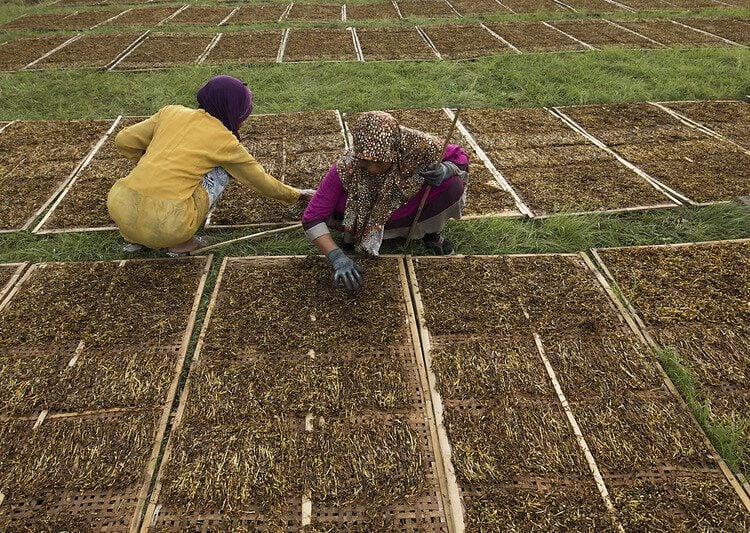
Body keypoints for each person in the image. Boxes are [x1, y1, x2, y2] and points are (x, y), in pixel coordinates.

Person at [107, 75, 312, 256]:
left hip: (120, 205)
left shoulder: (171, 112)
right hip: (169, 224)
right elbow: (259, 180)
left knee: (155, 172)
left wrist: (148, 157)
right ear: (233, 111)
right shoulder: (224, 140)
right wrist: (297, 194)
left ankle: (134, 240)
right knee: (221, 171)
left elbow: (124, 141)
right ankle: (181, 244)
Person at [302, 111, 469, 292]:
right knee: (338, 204)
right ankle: (352, 238)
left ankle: (431, 233)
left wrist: (446, 169)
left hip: (405, 201)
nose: (373, 169)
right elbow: (312, 217)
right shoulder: (346, 166)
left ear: (394, 150)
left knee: (452, 185)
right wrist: (335, 256)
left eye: (381, 162)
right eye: (366, 161)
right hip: (369, 209)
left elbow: (459, 157)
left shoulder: (419, 145)